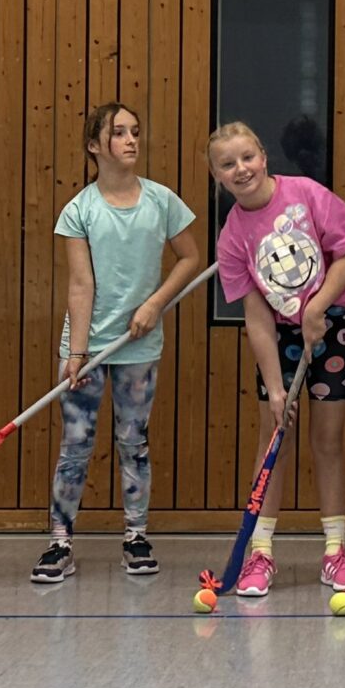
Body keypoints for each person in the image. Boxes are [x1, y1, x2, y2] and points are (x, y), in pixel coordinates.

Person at [33, 102, 204, 584]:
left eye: (135, 131)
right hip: (88, 346)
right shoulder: (79, 210)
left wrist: (155, 305)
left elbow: (190, 258)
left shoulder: (161, 201)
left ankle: (136, 536)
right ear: (94, 145)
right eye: (119, 133)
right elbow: (80, 284)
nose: (131, 140)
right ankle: (59, 543)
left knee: (134, 442)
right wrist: (77, 352)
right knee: (75, 444)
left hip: (140, 346)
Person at [208, 120, 345, 599]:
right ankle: (260, 553)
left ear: (263, 155)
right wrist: (276, 387)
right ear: (217, 176)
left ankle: (335, 551)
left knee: (328, 440)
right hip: (280, 338)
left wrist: (318, 308)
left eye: (247, 157)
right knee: (273, 438)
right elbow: (256, 317)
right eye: (227, 164)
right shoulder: (233, 237)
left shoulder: (305, 194)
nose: (241, 169)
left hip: (331, 325)